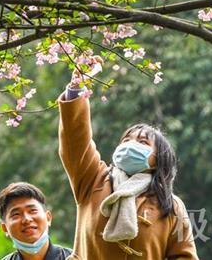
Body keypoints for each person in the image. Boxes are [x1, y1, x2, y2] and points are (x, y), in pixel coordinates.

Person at [58, 59, 198, 259]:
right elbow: (76, 141)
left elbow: (184, 256)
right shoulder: (93, 180)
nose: (130, 145)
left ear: (158, 159)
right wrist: (76, 90)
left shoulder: (171, 205)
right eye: (126, 140)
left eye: (142, 142)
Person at [0, 182, 73, 260]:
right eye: (16, 214)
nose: (27, 219)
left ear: (48, 218)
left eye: (33, 211)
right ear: (5, 228)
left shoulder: (77, 257)